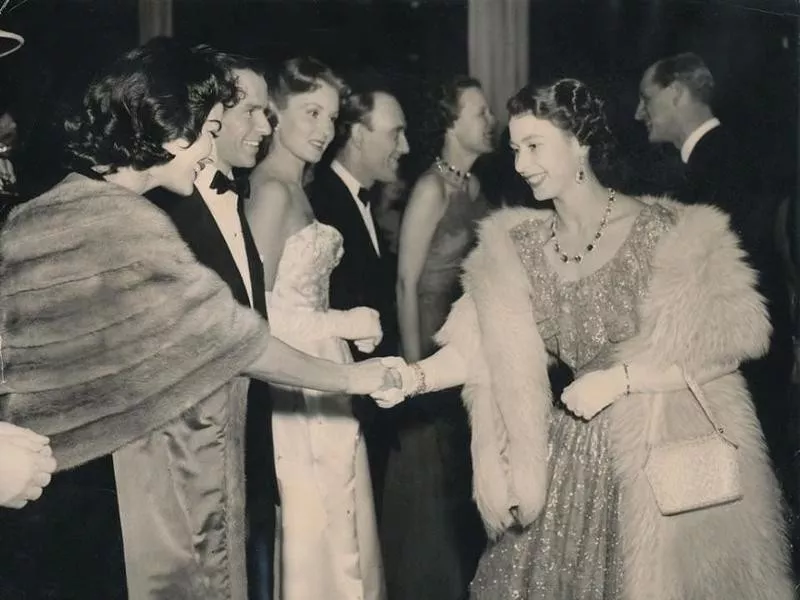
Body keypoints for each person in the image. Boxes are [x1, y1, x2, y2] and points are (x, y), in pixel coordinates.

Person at [0, 37, 395, 600]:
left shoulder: (34, 215)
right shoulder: (129, 227)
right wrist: (354, 377)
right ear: (169, 130)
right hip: (108, 500)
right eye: (209, 131)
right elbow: (236, 341)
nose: (211, 150)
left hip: (37, 496)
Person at [374, 78, 795, 599]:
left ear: (580, 142)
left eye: (535, 147)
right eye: (515, 150)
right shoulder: (519, 245)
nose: (522, 164)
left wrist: (621, 379)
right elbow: (480, 346)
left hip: (656, 463)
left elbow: (729, 348)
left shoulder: (664, 230)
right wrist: (411, 376)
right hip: (570, 467)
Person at [636, 52, 797, 567]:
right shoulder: (719, 158)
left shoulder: (720, 165)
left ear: (677, 93)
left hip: (737, 362)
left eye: (647, 100)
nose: (640, 114)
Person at [244, 57, 385, 600]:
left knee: (342, 516)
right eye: (311, 112)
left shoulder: (300, 186)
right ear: (274, 113)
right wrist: (343, 321)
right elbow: (255, 313)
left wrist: (346, 332)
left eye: (331, 116)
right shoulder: (272, 191)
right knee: (314, 528)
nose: (325, 129)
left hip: (327, 374)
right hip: (293, 386)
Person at [147, 47, 276, 600]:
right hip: (190, 466)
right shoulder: (164, 211)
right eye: (252, 111)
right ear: (208, 116)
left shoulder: (234, 202)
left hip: (242, 448)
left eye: (267, 112)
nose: (265, 126)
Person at [386, 75, 493, 600]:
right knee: (428, 479)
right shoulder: (430, 188)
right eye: (479, 112)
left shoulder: (476, 189)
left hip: (468, 346)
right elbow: (405, 282)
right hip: (428, 339)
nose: (489, 120)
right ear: (451, 123)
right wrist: (413, 372)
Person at [308, 78, 410, 512]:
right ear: (357, 134)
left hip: (368, 401)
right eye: (395, 134)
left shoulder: (356, 201)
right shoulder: (321, 202)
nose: (404, 147)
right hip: (341, 401)